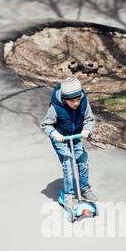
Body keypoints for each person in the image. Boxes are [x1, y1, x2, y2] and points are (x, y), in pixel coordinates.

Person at [40, 77, 97, 209]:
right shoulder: (56, 107)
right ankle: (69, 196)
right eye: (72, 101)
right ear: (65, 100)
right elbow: (46, 124)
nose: (76, 103)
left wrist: (87, 130)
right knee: (68, 163)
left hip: (75, 135)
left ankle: (85, 189)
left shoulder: (83, 101)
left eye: (78, 99)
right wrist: (55, 134)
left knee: (83, 159)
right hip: (60, 138)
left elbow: (89, 119)